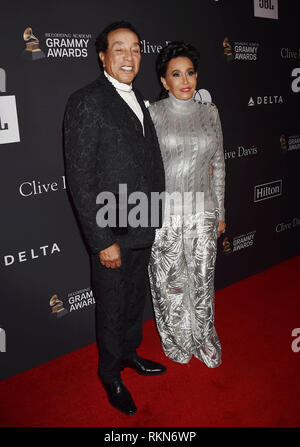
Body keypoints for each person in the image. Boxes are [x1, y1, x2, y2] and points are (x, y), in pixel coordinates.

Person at [63, 21, 166, 416]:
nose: (129, 56)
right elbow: (81, 178)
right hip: (111, 228)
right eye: (119, 48)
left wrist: (154, 218)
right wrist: (102, 239)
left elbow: (151, 164)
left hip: (143, 223)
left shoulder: (139, 98)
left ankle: (128, 355)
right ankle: (110, 373)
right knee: (110, 303)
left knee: (134, 298)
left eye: (136, 48)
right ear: (102, 56)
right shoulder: (86, 101)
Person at [148, 41, 226, 368]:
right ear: (164, 81)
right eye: (176, 75)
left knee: (203, 283)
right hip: (164, 215)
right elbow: (145, 169)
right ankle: (178, 343)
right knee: (170, 286)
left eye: (190, 73)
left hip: (204, 212)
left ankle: (205, 340)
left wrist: (221, 212)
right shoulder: (152, 114)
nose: (185, 81)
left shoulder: (210, 112)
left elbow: (219, 164)